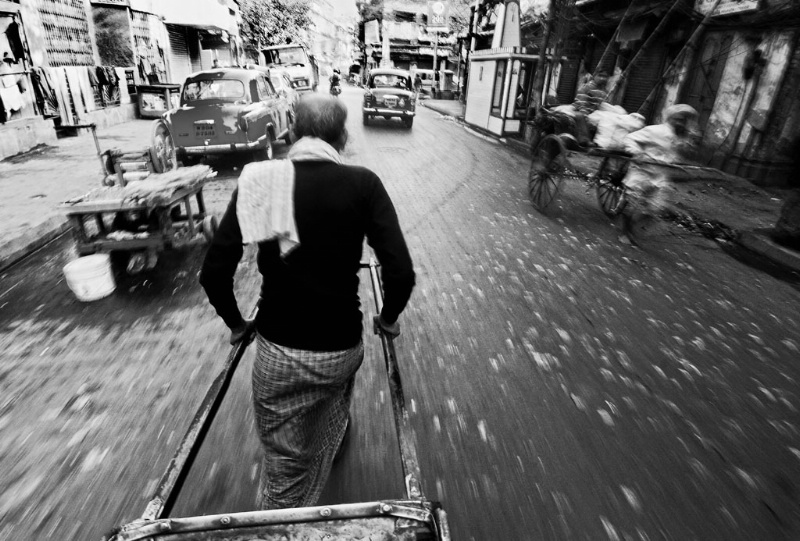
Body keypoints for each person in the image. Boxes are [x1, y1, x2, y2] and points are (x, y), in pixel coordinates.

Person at [199, 94, 416, 510]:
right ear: (343, 137)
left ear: (293, 133)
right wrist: (388, 318)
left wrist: (236, 323)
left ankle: (285, 514)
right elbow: (400, 273)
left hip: (278, 350)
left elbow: (214, 272)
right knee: (329, 412)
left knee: (284, 465)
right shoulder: (363, 184)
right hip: (340, 348)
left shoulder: (259, 179)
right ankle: (306, 491)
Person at [619, 103, 699, 245]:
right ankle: (626, 231)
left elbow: (681, 156)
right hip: (642, 172)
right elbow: (630, 138)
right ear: (670, 118)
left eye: (684, 120)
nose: (681, 123)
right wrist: (637, 153)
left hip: (661, 176)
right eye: (678, 119)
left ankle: (632, 226)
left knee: (656, 209)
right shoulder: (654, 131)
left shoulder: (683, 138)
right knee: (632, 204)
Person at [572, 71, 609, 146]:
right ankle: (584, 140)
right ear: (594, 76)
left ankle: (601, 143)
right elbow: (581, 103)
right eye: (600, 76)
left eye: (605, 77)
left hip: (595, 113)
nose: (602, 78)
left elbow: (605, 105)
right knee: (580, 116)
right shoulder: (587, 87)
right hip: (582, 110)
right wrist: (586, 115)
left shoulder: (604, 91)